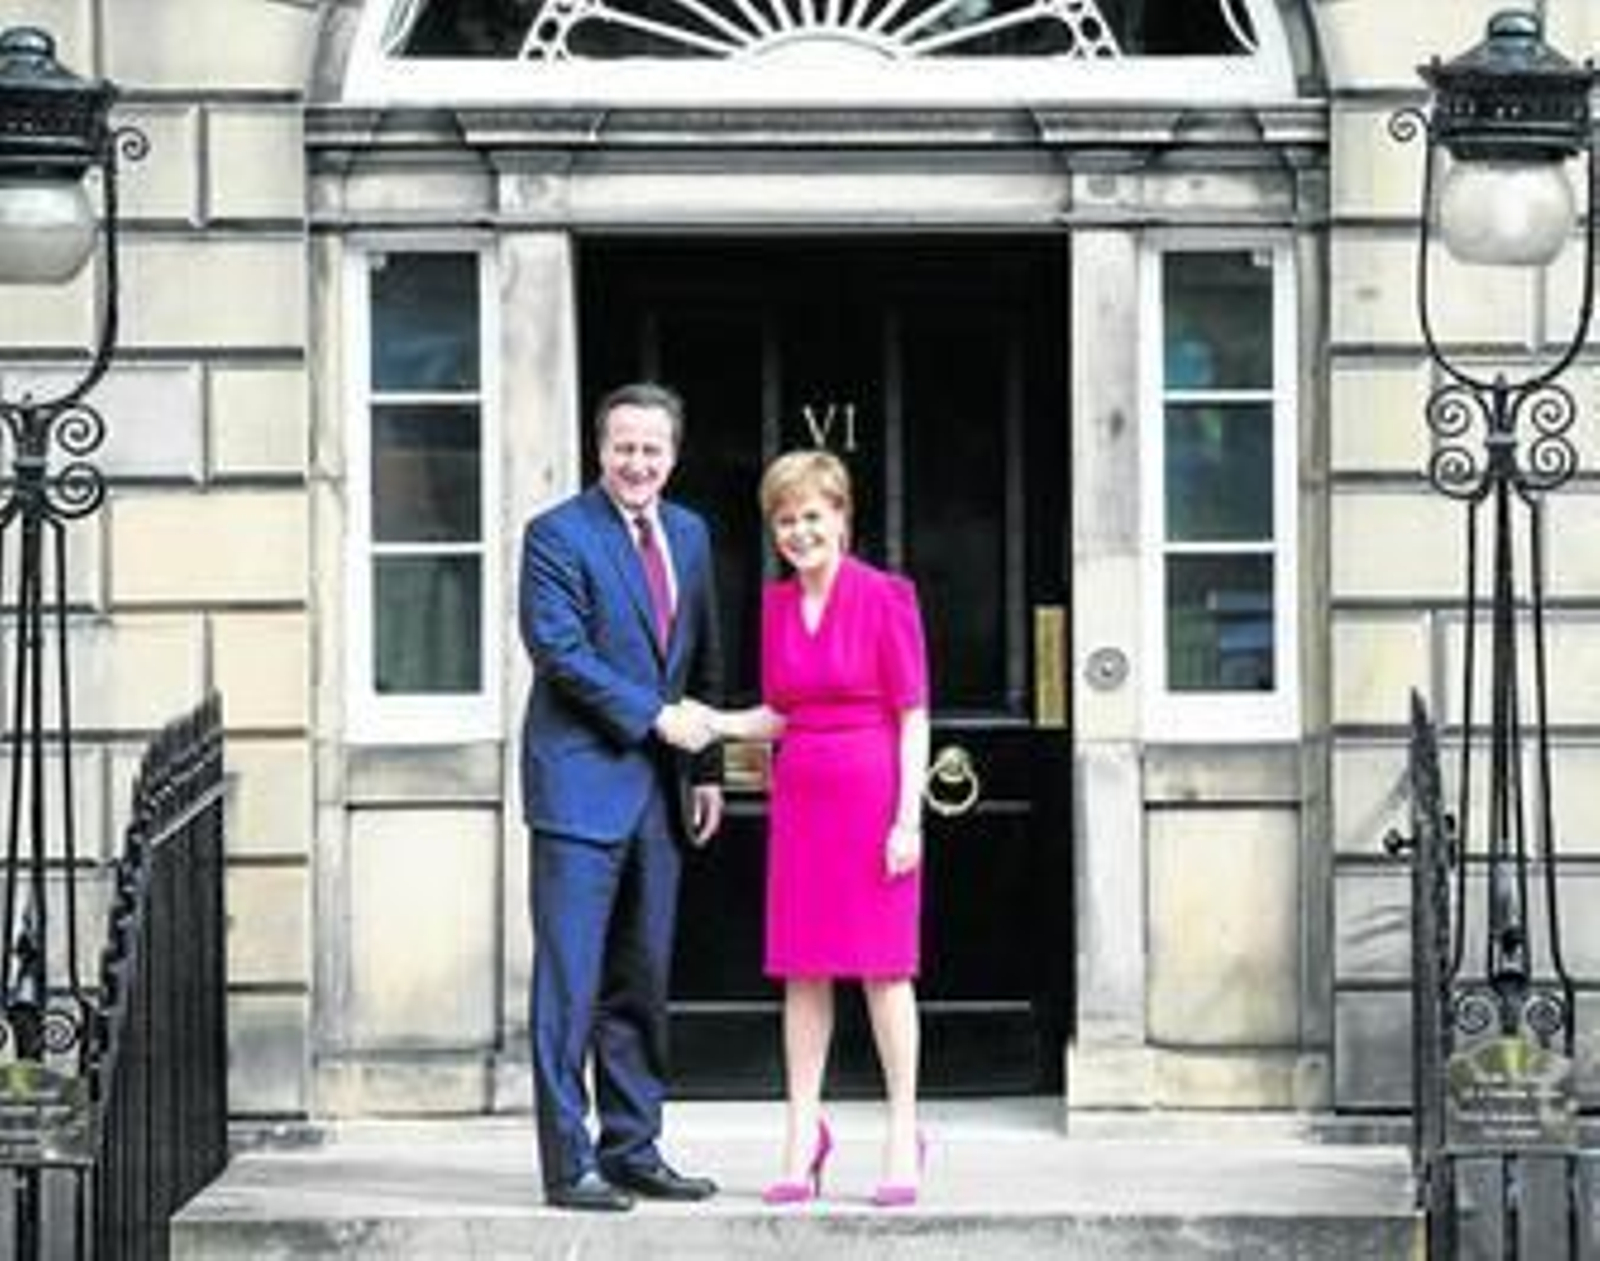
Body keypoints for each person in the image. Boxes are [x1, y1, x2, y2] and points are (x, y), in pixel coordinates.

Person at [699, 449, 931, 1207]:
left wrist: (908, 820)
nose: (799, 531)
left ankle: (903, 1132)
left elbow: (913, 714)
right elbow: (781, 714)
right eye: (785, 519)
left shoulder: (887, 596)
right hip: (801, 806)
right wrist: (711, 725)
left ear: (842, 517)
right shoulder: (773, 606)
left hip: (873, 803)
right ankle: (802, 1135)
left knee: (884, 970)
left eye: (811, 516)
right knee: (803, 971)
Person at [519, 382, 724, 1212]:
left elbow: (702, 648)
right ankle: (569, 1164)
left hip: (662, 794)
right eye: (623, 447)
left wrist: (708, 768)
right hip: (578, 786)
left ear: (673, 455)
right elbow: (559, 651)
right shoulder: (557, 534)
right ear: (599, 449)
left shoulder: (690, 533)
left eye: (652, 449)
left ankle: (634, 1148)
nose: (637, 462)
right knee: (570, 986)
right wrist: (654, 718)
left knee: (640, 981)